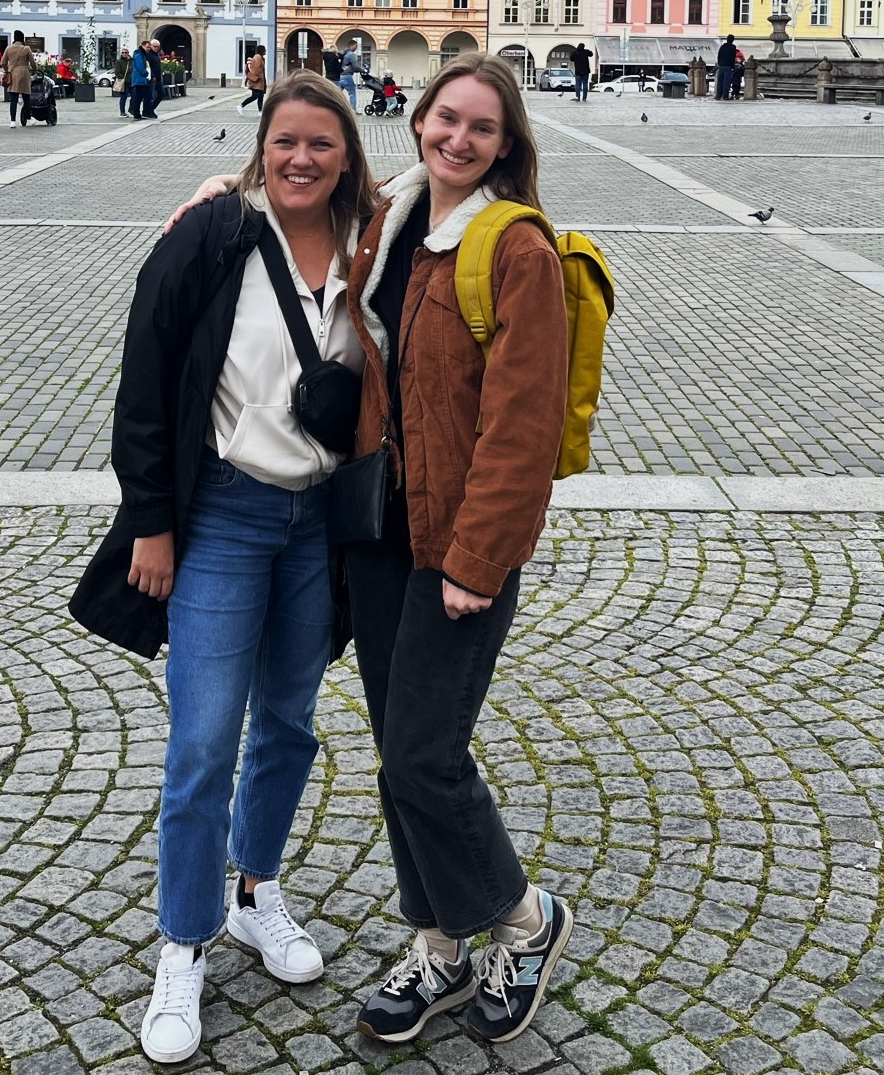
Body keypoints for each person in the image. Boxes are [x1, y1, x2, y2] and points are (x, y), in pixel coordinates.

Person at [164, 57, 575, 1047]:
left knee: (428, 754)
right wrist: (229, 190)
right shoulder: (391, 219)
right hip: (379, 535)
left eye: (480, 127)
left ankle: (523, 917)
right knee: (397, 755)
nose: (457, 138)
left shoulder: (515, 249)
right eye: (444, 118)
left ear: (505, 143)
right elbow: (301, 201)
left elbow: (522, 430)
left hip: (459, 544)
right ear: (418, 120)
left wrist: (479, 560)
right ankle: (435, 941)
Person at [96, 72, 374, 1064]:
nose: (301, 159)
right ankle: (182, 942)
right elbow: (143, 374)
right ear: (263, 146)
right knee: (204, 739)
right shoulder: (213, 233)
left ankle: (255, 889)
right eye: (285, 142)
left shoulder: (365, 243)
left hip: (315, 522)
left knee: (290, 721)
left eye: (321, 144)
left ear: (347, 154)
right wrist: (152, 524)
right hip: (220, 512)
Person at [1, 30, 33, 125]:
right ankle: (28, 118)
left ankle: (13, 121)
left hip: (13, 73)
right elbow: (32, 62)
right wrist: (34, 69)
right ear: (22, 38)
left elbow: (2, 62)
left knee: (13, 99)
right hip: (24, 73)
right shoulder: (26, 48)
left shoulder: (8, 48)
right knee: (26, 97)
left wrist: (7, 70)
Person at [238, 45, 268, 115]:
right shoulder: (258, 57)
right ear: (261, 50)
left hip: (260, 81)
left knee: (260, 96)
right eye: (264, 50)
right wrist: (258, 77)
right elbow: (257, 69)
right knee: (255, 96)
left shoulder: (259, 57)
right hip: (257, 81)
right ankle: (241, 105)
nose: (265, 51)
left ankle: (260, 112)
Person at [129, 41, 154, 120]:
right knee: (141, 97)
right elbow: (140, 67)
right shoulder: (139, 55)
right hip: (139, 79)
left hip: (142, 80)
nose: (149, 49)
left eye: (149, 47)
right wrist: (146, 73)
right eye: (147, 47)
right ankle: (137, 112)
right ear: (143, 46)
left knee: (140, 97)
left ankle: (138, 113)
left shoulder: (143, 55)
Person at [338, 40, 360, 109]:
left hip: (339, 76)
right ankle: (353, 110)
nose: (357, 47)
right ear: (352, 45)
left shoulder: (342, 53)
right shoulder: (352, 54)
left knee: (337, 94)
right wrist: (361, 70)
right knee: (352, 94)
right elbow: (355, 66)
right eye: (356, 46)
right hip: (347, 76)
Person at [715, 35, 737, 101]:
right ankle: (725, 96)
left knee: (720, 81)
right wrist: (732, 66)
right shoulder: (733, 47)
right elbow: (732, 57)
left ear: (727, 39)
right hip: (728, 66)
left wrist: (719, 63)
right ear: (732, 40)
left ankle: (718, 95)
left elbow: (719, 55)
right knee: (726, 82)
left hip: (721, 66)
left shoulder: (722, 46)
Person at [114, 46, 133, 117]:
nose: (124, 54)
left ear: (128, 53)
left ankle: (131, 109)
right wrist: (122, 78)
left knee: (134, 97)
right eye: (123, 53)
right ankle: (122, 112)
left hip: (131, 82)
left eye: (126, 52)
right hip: (124, 83)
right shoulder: (119, 61)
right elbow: (117, 72)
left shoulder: (131, 61)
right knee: (123, 98)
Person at [148, 39, 165, 114]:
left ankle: (151, 109)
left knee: (161, 94)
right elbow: (148, 68)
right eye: (155, 46)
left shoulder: (156, 55)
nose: (157, 48)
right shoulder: (149, 55)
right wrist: (152, 76)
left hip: (158, 79)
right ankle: (149, 110)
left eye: (158, 47)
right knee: (151, 96)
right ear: (151, 46)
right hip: (152, 79)